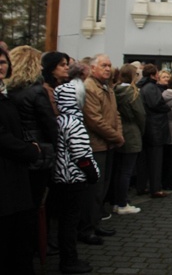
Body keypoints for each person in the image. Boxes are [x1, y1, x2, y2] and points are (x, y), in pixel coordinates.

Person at [6, 46, 59, 250]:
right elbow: (50, 125)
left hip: (18, 154)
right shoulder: (37, 92)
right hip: (37, 154)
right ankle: (37, 246)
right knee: (34, 205)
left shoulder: (10, 92)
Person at [0, 47, 41, 274]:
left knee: (20, 230)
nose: (1, 66)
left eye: (3, 62)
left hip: (16, 171)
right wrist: (28, 150)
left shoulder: (6, 94)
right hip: (6, 171)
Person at [54, 78, 100, 274]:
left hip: (61, 177)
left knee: (66, 220)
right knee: (70, 222)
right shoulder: (74, 123)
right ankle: (69, 260)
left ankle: (68, 258)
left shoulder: (60, 119)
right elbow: (81, 155)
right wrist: (92, 174)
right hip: (73, 178)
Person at [79, 54, 124, 245]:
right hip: (96, 144)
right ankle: (86, 229)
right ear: (93, 68)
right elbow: (94, 120)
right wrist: (116, 136)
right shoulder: (89, 87)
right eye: (104, 65)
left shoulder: (108, 87)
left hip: (109, 144)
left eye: (109, 65)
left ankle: (95, 223)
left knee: (102, 188)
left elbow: (116, 114)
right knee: (94, 190)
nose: (108, 68)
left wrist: (118, 134)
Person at [113, 64, 145, 215]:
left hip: (118, 131)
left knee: (119, 170)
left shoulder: (115, 90)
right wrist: (142, 129)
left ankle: (116, 200)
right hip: (131, 131)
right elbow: (140, 114)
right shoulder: (132, 93)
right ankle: (122, 203)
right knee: (126, 171)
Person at [136, 64, 170, 198]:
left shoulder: (144, 87)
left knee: (145, 160)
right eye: (157, 73)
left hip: (150, 127)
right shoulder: (151, 88)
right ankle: (155, 188)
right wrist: (166, 107)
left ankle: (142, 186)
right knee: (155, 160)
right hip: (155, 127)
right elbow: (156, 104)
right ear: (152, 75)